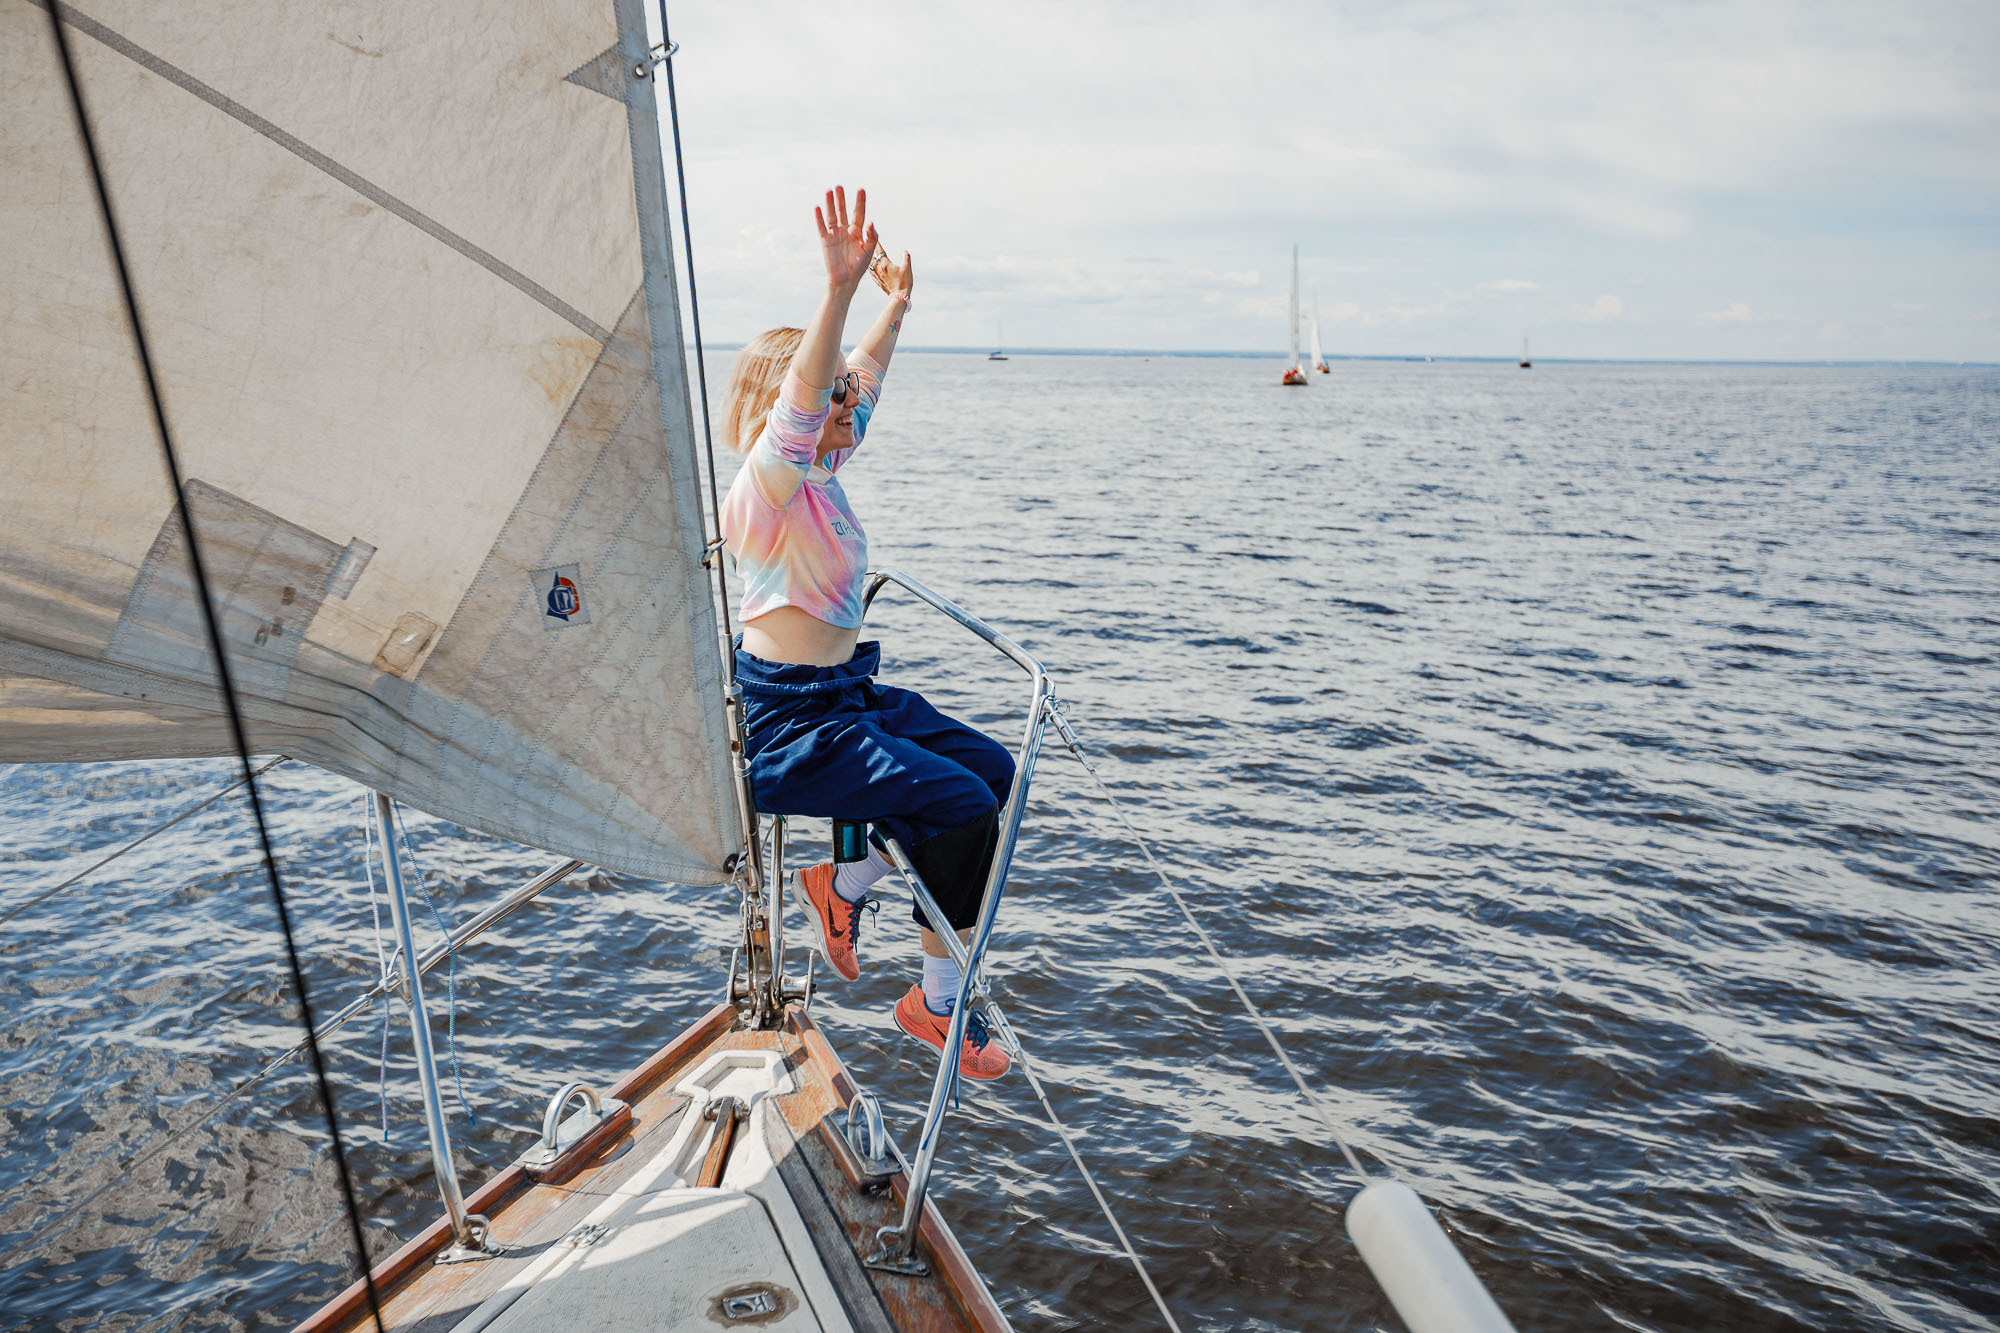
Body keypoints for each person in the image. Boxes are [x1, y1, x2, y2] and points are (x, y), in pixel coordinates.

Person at [719, 186, 1012, 1079]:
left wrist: (894, 307)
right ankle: (934, 1000)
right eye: (832, 395)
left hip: (846, 700)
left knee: (992, 773)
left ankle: (840, 885)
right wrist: (838, 290)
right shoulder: (767, 488)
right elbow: (808, 401)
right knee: (958, 807)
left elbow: (859, 386)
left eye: (847, 395)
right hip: (788, 725)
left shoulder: (826, 470)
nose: (850, 404)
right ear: (789, 407)